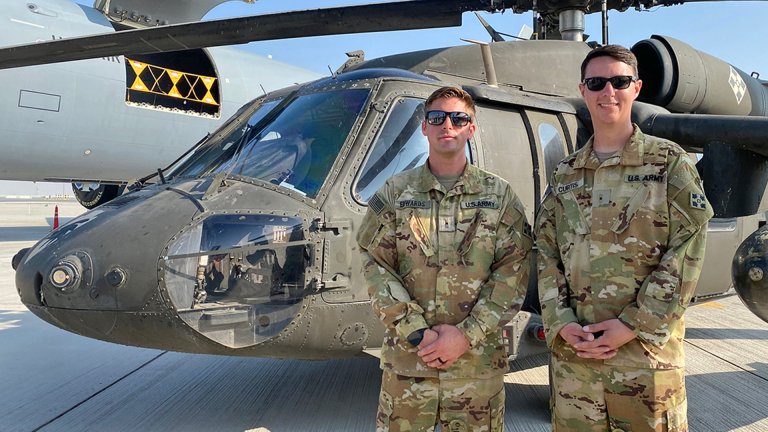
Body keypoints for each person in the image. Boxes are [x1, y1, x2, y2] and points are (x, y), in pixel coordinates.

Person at [535, 45, 713, 431]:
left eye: (619, 81)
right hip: (575, 363)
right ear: (583, 90)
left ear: (636, 88)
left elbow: (689, 247)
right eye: (597, 83)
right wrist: (560, 321)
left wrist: (633, 323)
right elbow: (546, 251)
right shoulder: (566, 173)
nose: (608, 92)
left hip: (644, 362)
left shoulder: (668, 162)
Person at [357, 86, 533, 431]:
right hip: (410, 364)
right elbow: (375, 263)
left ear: (471, 128)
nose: (446, 125)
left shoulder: (498, 195)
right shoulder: (395, 193)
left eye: (458, 118)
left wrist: (466, 335)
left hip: (476, 367)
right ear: (424, 127)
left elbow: (514, 269)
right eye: (437, 118)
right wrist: (417, 333)